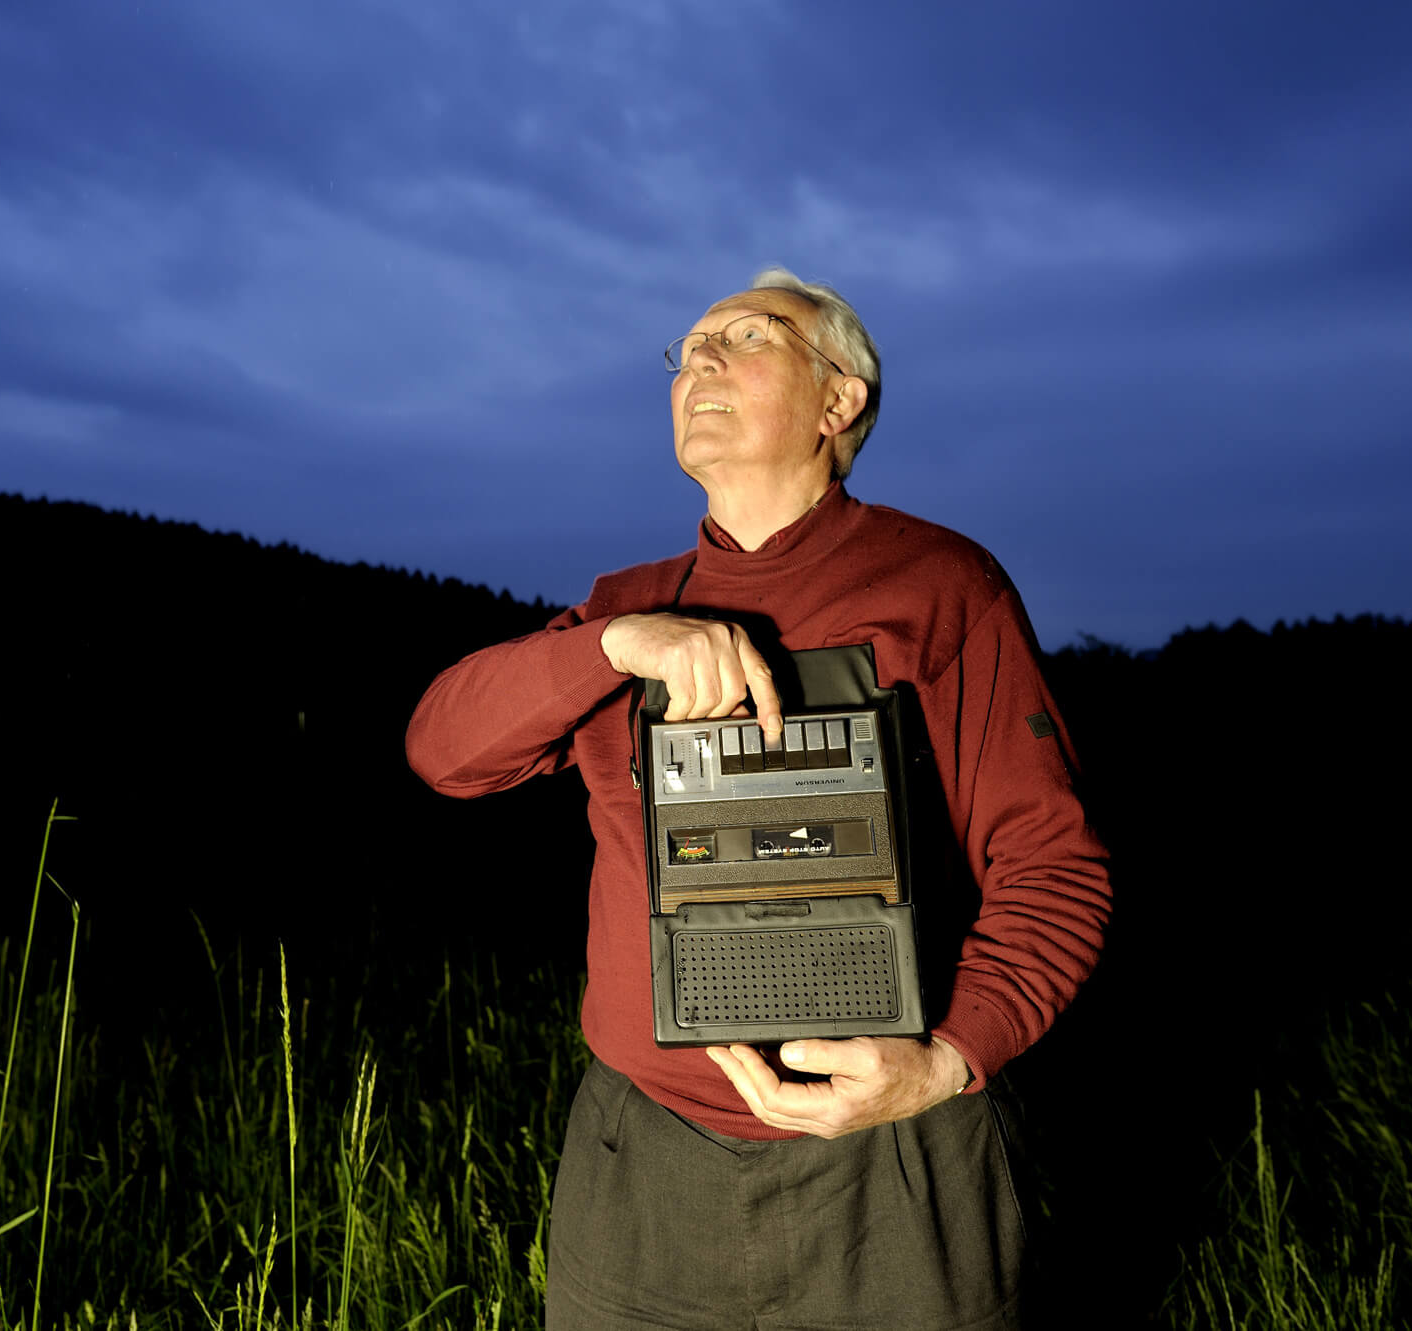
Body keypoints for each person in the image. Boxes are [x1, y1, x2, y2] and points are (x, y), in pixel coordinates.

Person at [405, 268, 1111, 1330]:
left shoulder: (944, 587)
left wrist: (948, 1057)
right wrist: (610, 643)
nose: (698, 360)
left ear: (838, 401)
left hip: (893, 1165)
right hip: (639, 1165)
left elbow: (1055, 867)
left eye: (745, 336)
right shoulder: (624, 606)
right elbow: (442, 750)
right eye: (685, 348)